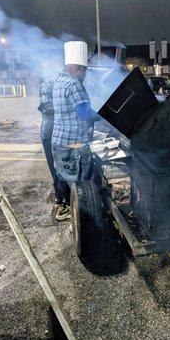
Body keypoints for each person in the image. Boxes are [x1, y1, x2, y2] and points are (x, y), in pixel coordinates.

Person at [51, 41, 99, 221]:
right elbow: (84, 113)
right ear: (79, 67)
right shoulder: (73, 84)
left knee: (63, 176)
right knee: (81, 186)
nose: (85, 75)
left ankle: (63, 209)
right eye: (85, 70)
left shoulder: (59, 81)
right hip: (74, 144)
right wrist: (105, 116)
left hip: (59, 142)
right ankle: (81, 221)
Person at [38, 77, 71, 221]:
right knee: (58, 169)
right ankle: (63, 205)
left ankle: (60, 199)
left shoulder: (57, 85)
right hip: (50, 133)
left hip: (55, 132)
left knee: (58, 168)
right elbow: (46, 108)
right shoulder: (47, 85)